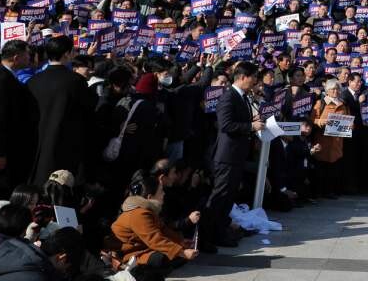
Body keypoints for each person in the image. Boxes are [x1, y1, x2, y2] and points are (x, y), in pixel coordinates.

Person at [203, 61, 261, 251]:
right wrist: (250, 126)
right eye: (253, 77)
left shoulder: (243, 97)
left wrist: (250, 122)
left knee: (228, 198)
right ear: (243, 77)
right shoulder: (229, 97)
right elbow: (226, 125)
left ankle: (220, 232)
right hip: (226, 156)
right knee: (220, 196)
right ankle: (207, 236)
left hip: (236, 156)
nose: (255, 81)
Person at [26, 37, 94, 186]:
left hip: (34, 145)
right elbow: (87, 114)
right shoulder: (76, 82)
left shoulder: (33, 81)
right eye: (73, 51)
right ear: (66, 54)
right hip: (65, 147)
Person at [108, 173, 198, 272]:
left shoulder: (147, 210)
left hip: (141, 248)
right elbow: (155, 239)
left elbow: (163, 230)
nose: (164, 193)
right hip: (126, 253)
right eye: (160, 191)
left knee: (175, 254)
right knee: (162, 258)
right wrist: (183, 252)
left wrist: (181, 241)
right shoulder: (139, 214)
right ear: (150, 197)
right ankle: (129, 266)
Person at [0, 42, 36, 201]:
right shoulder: (1, 80)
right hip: (2, 152)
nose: (30, 58)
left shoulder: (7, 76)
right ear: (16, 57)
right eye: (27, 54)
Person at [310, 79, 348, 198]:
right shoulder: (320, 103)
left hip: (337, 142)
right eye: (332, 89)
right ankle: (319, 191)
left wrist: (351, 125)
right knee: (321, 167)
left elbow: (348, 120)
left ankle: (330, 191)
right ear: (327, 91)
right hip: (322, 141)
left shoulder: (343, 104)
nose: (335, 91)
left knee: (333, 168)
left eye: (337, 89)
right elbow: (311, 120)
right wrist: (321, 121)